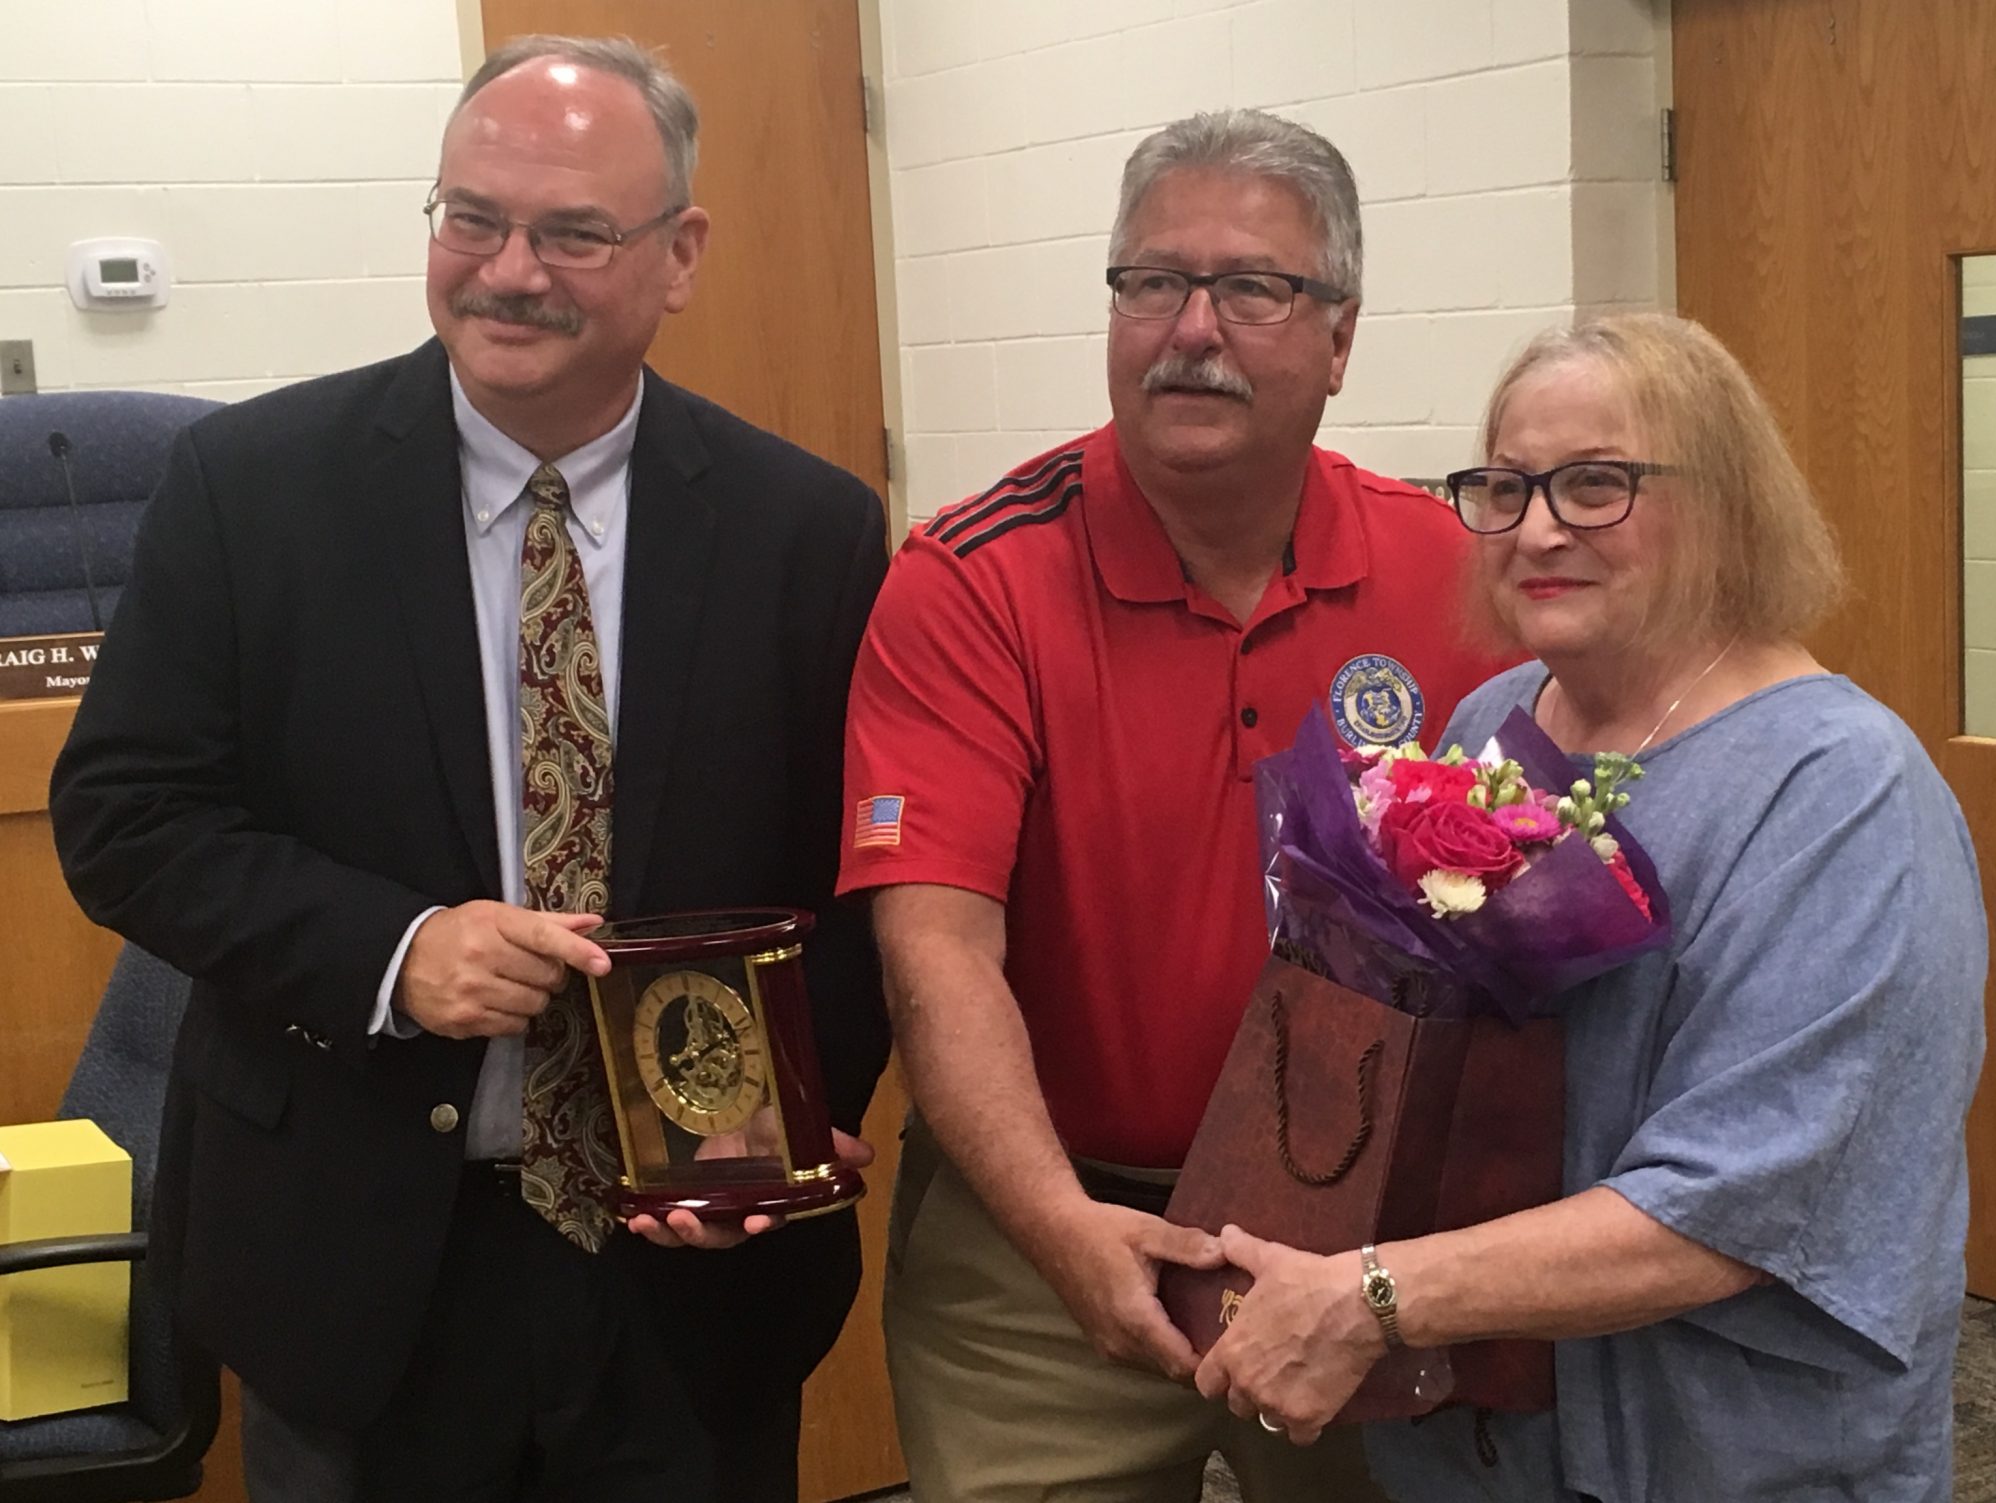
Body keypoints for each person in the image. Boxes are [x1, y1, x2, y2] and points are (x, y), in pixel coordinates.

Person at [48, 34, 890, 1503]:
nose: (511, 270)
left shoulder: (805, 527)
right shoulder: (250, 491)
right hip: (354, 1263)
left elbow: (860, 878)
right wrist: (394, 946)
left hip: (688, 1285)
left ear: (680, 253)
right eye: (472, 218)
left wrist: (784, 1134)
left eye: (575, 231)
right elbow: (127, 819)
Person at [1193, 312, 1987, 1502]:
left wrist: (1371, 1297)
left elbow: (1737, 1200)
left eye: (1596, 483)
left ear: (1723, 503)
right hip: (1481, 1433)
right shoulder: (1498, 722)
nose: (1538, 528)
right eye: (1504, 488)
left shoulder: (1838, 790)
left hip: (1717, 1448)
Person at [836, 109, 1509, 1501]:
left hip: (1361, 1239)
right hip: (1043, 1227)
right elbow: (937, 949)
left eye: (1252, 286)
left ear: (1340, 337)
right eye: (1152, 281)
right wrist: (1059, 1224)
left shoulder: (1450, 569)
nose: (1191, 326)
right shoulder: (973, 577)